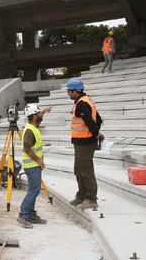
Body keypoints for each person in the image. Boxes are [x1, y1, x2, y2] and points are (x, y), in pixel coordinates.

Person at [66, 78, 104, 210]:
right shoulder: (85, 101)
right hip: (81, 142)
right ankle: (81, 196)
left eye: (69, 91)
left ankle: (91, 199)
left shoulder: (82, 104)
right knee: (79, 170)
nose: (68, 94)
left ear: (75, 91)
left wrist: (95, 134)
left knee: (86, 171)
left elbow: (91, 122)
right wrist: (96, 133)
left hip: (85, 143)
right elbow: (98, 119)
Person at [16, 104, 52, 228]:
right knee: (34, 190)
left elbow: (38, 116)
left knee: (34, 190)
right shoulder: (30, 131)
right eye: (38, 114)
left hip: (33, 165)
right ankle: (23, 214)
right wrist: (39, 161)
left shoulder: (33, 126)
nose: (40, 116)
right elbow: (27, 148)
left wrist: (44, 111)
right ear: (34, 116)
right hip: (32, 165)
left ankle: (31, 214)